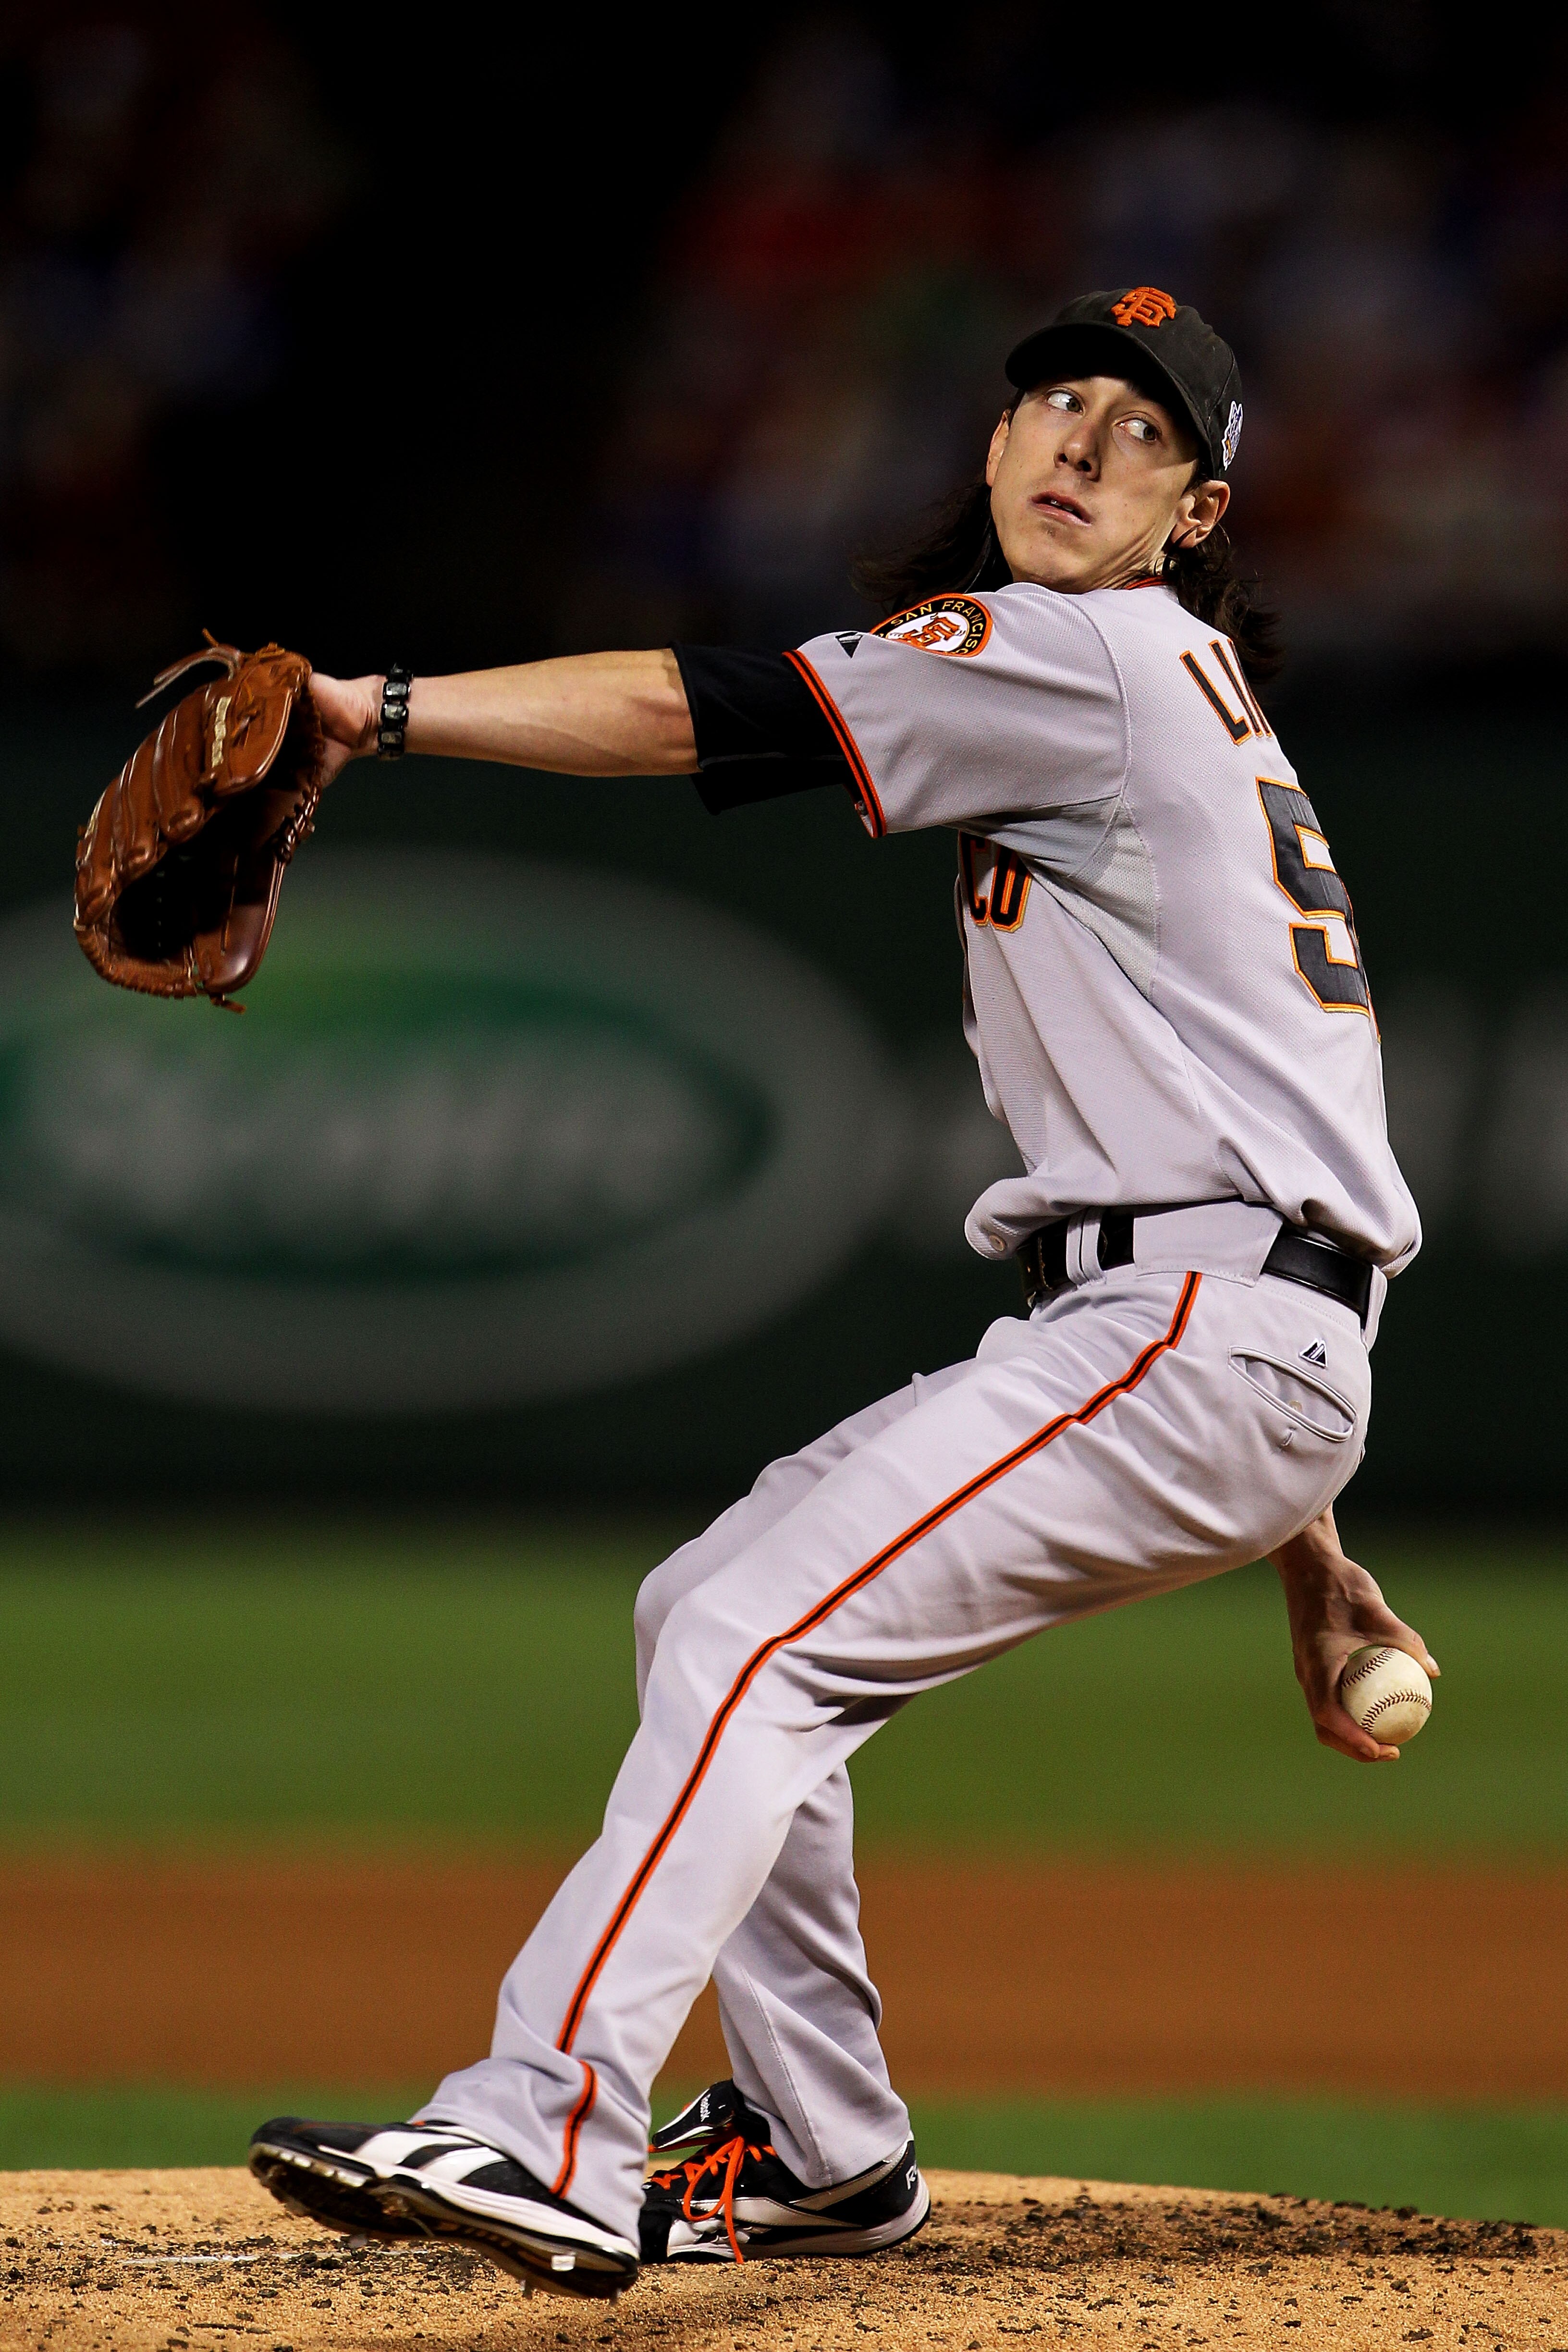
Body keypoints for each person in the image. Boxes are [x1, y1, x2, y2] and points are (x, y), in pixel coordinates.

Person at [248, 288, 1433, 2302]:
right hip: (1209, 1332)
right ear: (988, 448)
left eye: (1138, 431)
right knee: (707, 1614)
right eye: (1051, 400)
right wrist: (1314, 1551)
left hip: (1194, 1330)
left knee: (747, 1638)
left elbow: (699, 708)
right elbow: (1256, 1140)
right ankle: (822, 2149)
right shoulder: (1174, 690)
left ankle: (544, 2118)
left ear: (1196, 508)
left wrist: (377, 708)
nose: (1077, 441)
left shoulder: (1074, 649)